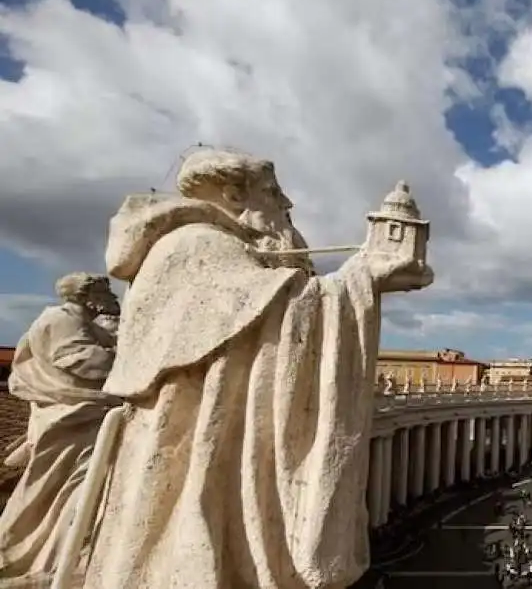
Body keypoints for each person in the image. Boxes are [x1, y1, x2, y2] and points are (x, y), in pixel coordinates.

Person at [77, 147, 432, 589]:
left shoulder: (231, 249)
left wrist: (356, 280)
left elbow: (273, 306)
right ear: (233, 192)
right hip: (195, 442)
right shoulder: (195, 244)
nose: (287, 205)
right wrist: (361, 278)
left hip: (220, 436)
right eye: (274, 193)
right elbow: (277, 311)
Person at [0, 273, 121, 581]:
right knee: (63, 486)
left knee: (77, 487)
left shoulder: (86, 324)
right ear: (87, 295)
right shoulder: (59, 319)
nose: (114, 299)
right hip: (73, 417)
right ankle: (32, 555)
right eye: (107, 292)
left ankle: (60, 554)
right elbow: (82, 362)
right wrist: (130, 357)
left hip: (85, 413)